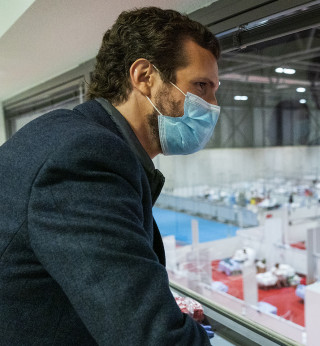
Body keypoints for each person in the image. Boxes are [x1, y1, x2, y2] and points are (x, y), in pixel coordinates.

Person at [0, 7, 220, 345]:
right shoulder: (85, 158)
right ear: (144, 76)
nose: (212, 105)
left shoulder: (64, 131)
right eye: (201, 85)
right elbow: (153, 337)